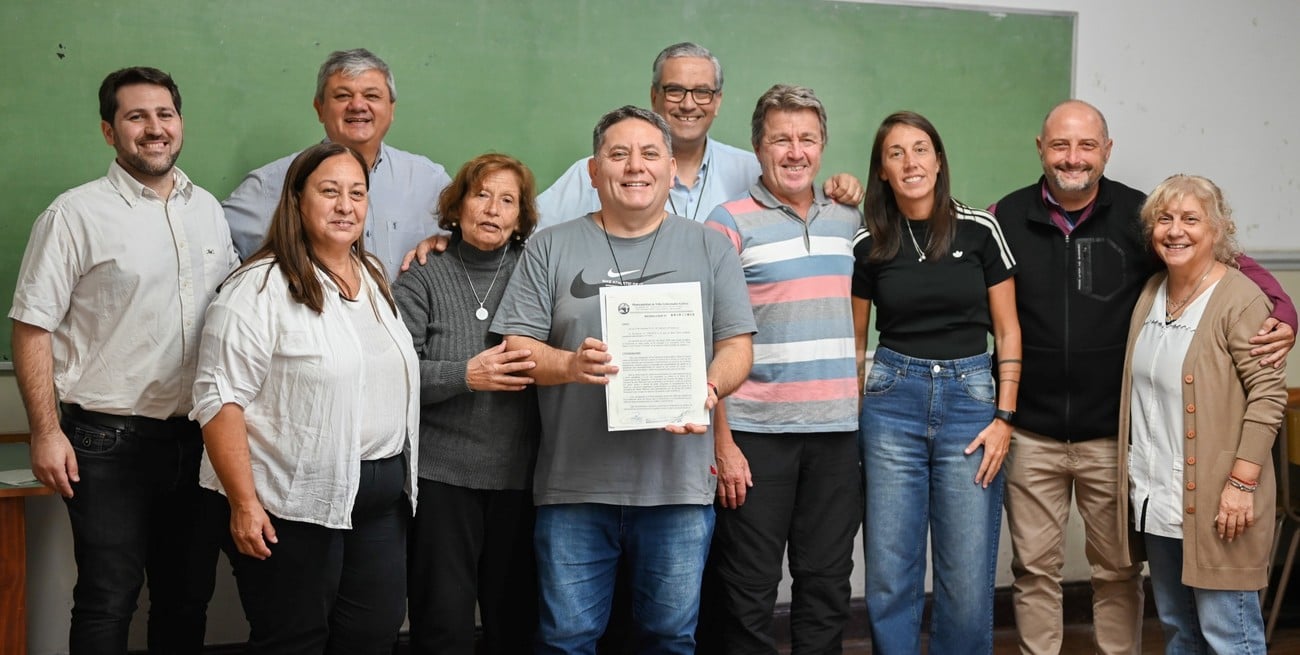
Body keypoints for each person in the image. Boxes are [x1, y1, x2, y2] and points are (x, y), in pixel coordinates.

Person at [991, 99, 1296, 655]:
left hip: (1114, 439)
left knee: (1116, 572)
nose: (1073, 157)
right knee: (1034, 572)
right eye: (1060, 145)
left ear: (1107, 150)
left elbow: (1232, 266)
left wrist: (1286, 313)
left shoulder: (1144, 216)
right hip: (1031, 436)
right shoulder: (1003, 218)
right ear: (1041, 149)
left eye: (1087, 145)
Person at [490, 105, 756, 654]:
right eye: (618, 154)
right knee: (566, 639)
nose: (635, 166)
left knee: (670, 639)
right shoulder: (550, 245)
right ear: (593, 171)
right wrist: (570, 366)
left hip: (678, 489)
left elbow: (737, 347)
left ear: (670, 169)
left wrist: (705, 391)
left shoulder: (710, 245)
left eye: (650, 153)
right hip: (574, 487)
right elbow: (516, 348)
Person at [10, 66, 237, 654]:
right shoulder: (74, 215)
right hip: (106, 443)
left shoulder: (207, 209)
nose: (154, 129)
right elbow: (31, 327)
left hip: (199, 443)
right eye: (136, 117)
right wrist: (45, 431)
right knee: (108, 599)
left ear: (180, 123)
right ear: (110, 131)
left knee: (187, 599)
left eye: (164, 115)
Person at [192, 142, 419, 655]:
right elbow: (217, 399)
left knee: (372, 635)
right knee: (295, 640)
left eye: (357, 194)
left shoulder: (375, 276)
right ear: (296, 200)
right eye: (329, 192)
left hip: (378, 504)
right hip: (292, 503)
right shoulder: (256, 288)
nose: (345, 206)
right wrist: (245, 505)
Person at [702, 84, 863, 653]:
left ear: (822, 147)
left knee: (826, 588)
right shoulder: (728, 221)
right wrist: (722, 442)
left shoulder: (848, 218)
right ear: (757, 147)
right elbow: (711, 339)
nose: (795, 152)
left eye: (807, 139)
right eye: (780, 140)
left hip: (837, 436)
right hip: (754, 436)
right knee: (747, 592)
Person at [852, 110, 1020, 654]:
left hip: (972, 403)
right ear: (882, 170)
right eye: (895, 153)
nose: (910, 161)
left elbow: (1009, 330)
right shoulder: (868, 242)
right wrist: (856, 410)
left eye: (920, 148)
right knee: (889, 572)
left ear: (939, 159)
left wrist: (1004, 418)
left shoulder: (980, 230)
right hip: (890, 403)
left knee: (968, 577)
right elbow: (854, 345)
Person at [1116, 174, 1286, 653]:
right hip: (1161, 502)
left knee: (1229, 636)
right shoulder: (1151, 292)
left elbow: (1269, 395)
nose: (1176, 230)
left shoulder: (1239, 298)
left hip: (1220, 504)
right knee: (1179, 631)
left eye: (1191, 219)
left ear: (1218, 230)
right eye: (1164, 219)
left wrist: (1241, 484)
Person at [392, 153, 541, 654]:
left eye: (507, 201)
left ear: (521, 218)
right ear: (457, 206)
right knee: (442, 625)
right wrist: (465, 375)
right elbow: (397, 376)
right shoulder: (422, 274)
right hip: (441, 478)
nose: (493, 209)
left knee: (516, 621)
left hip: (521, 477)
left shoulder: (537, 271)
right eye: (481, 195)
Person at [534, 42, 863, 229]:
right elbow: (524, 233)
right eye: (675, 90)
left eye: (703, 92)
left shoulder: (755, 171)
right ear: (654, 97)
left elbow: (803, 200)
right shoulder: (598, 171)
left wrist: (839, 187)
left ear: (717, 101)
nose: (689, 104)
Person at [223, 48, 451, 280]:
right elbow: (207, 248)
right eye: (343, 96)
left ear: (391, 109)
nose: (358, 105)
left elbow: (476, 251)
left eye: (372, 96)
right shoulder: (268, 185)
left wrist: (451, 243)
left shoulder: (431, 181)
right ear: (319, 108)